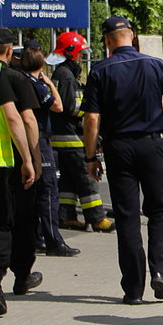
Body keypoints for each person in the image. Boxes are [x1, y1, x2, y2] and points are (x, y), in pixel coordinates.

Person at [81, 17, 163, 305]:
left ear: (107, 40)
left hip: (118, 148)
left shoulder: (100, 71)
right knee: (159, 210)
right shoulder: (154, 65)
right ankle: (160, 273)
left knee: (127, 217)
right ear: (133, 36)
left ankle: (133, 289)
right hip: (151, 144)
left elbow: (92, 119)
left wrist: (91, 156)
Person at [0, 28, 44, 300]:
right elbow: (26, 120)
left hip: (1, 160)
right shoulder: (11, 77)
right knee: (17, 219)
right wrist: (33, 158)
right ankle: (17, 276)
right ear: (10, 50)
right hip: (6, 159)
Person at [47, 31, 115, 233]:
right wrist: (92, 107)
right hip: (73, 139)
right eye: (80, 53)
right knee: (86, 181)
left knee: (68, 182)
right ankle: (97, 219)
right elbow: (70, 107)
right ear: (71, 53)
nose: (81, 57)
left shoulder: (62, 73)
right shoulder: (66, 76)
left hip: (62, 138)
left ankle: (66, 216)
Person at [19, 42, 80, 257]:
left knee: (34, 193)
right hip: (40, 141)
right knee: (48, 192)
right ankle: (53, 240)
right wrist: (49, 84)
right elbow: (59, 106)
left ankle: (38, 237)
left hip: (24, 141)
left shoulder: (17, 79)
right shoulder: (36, 84)